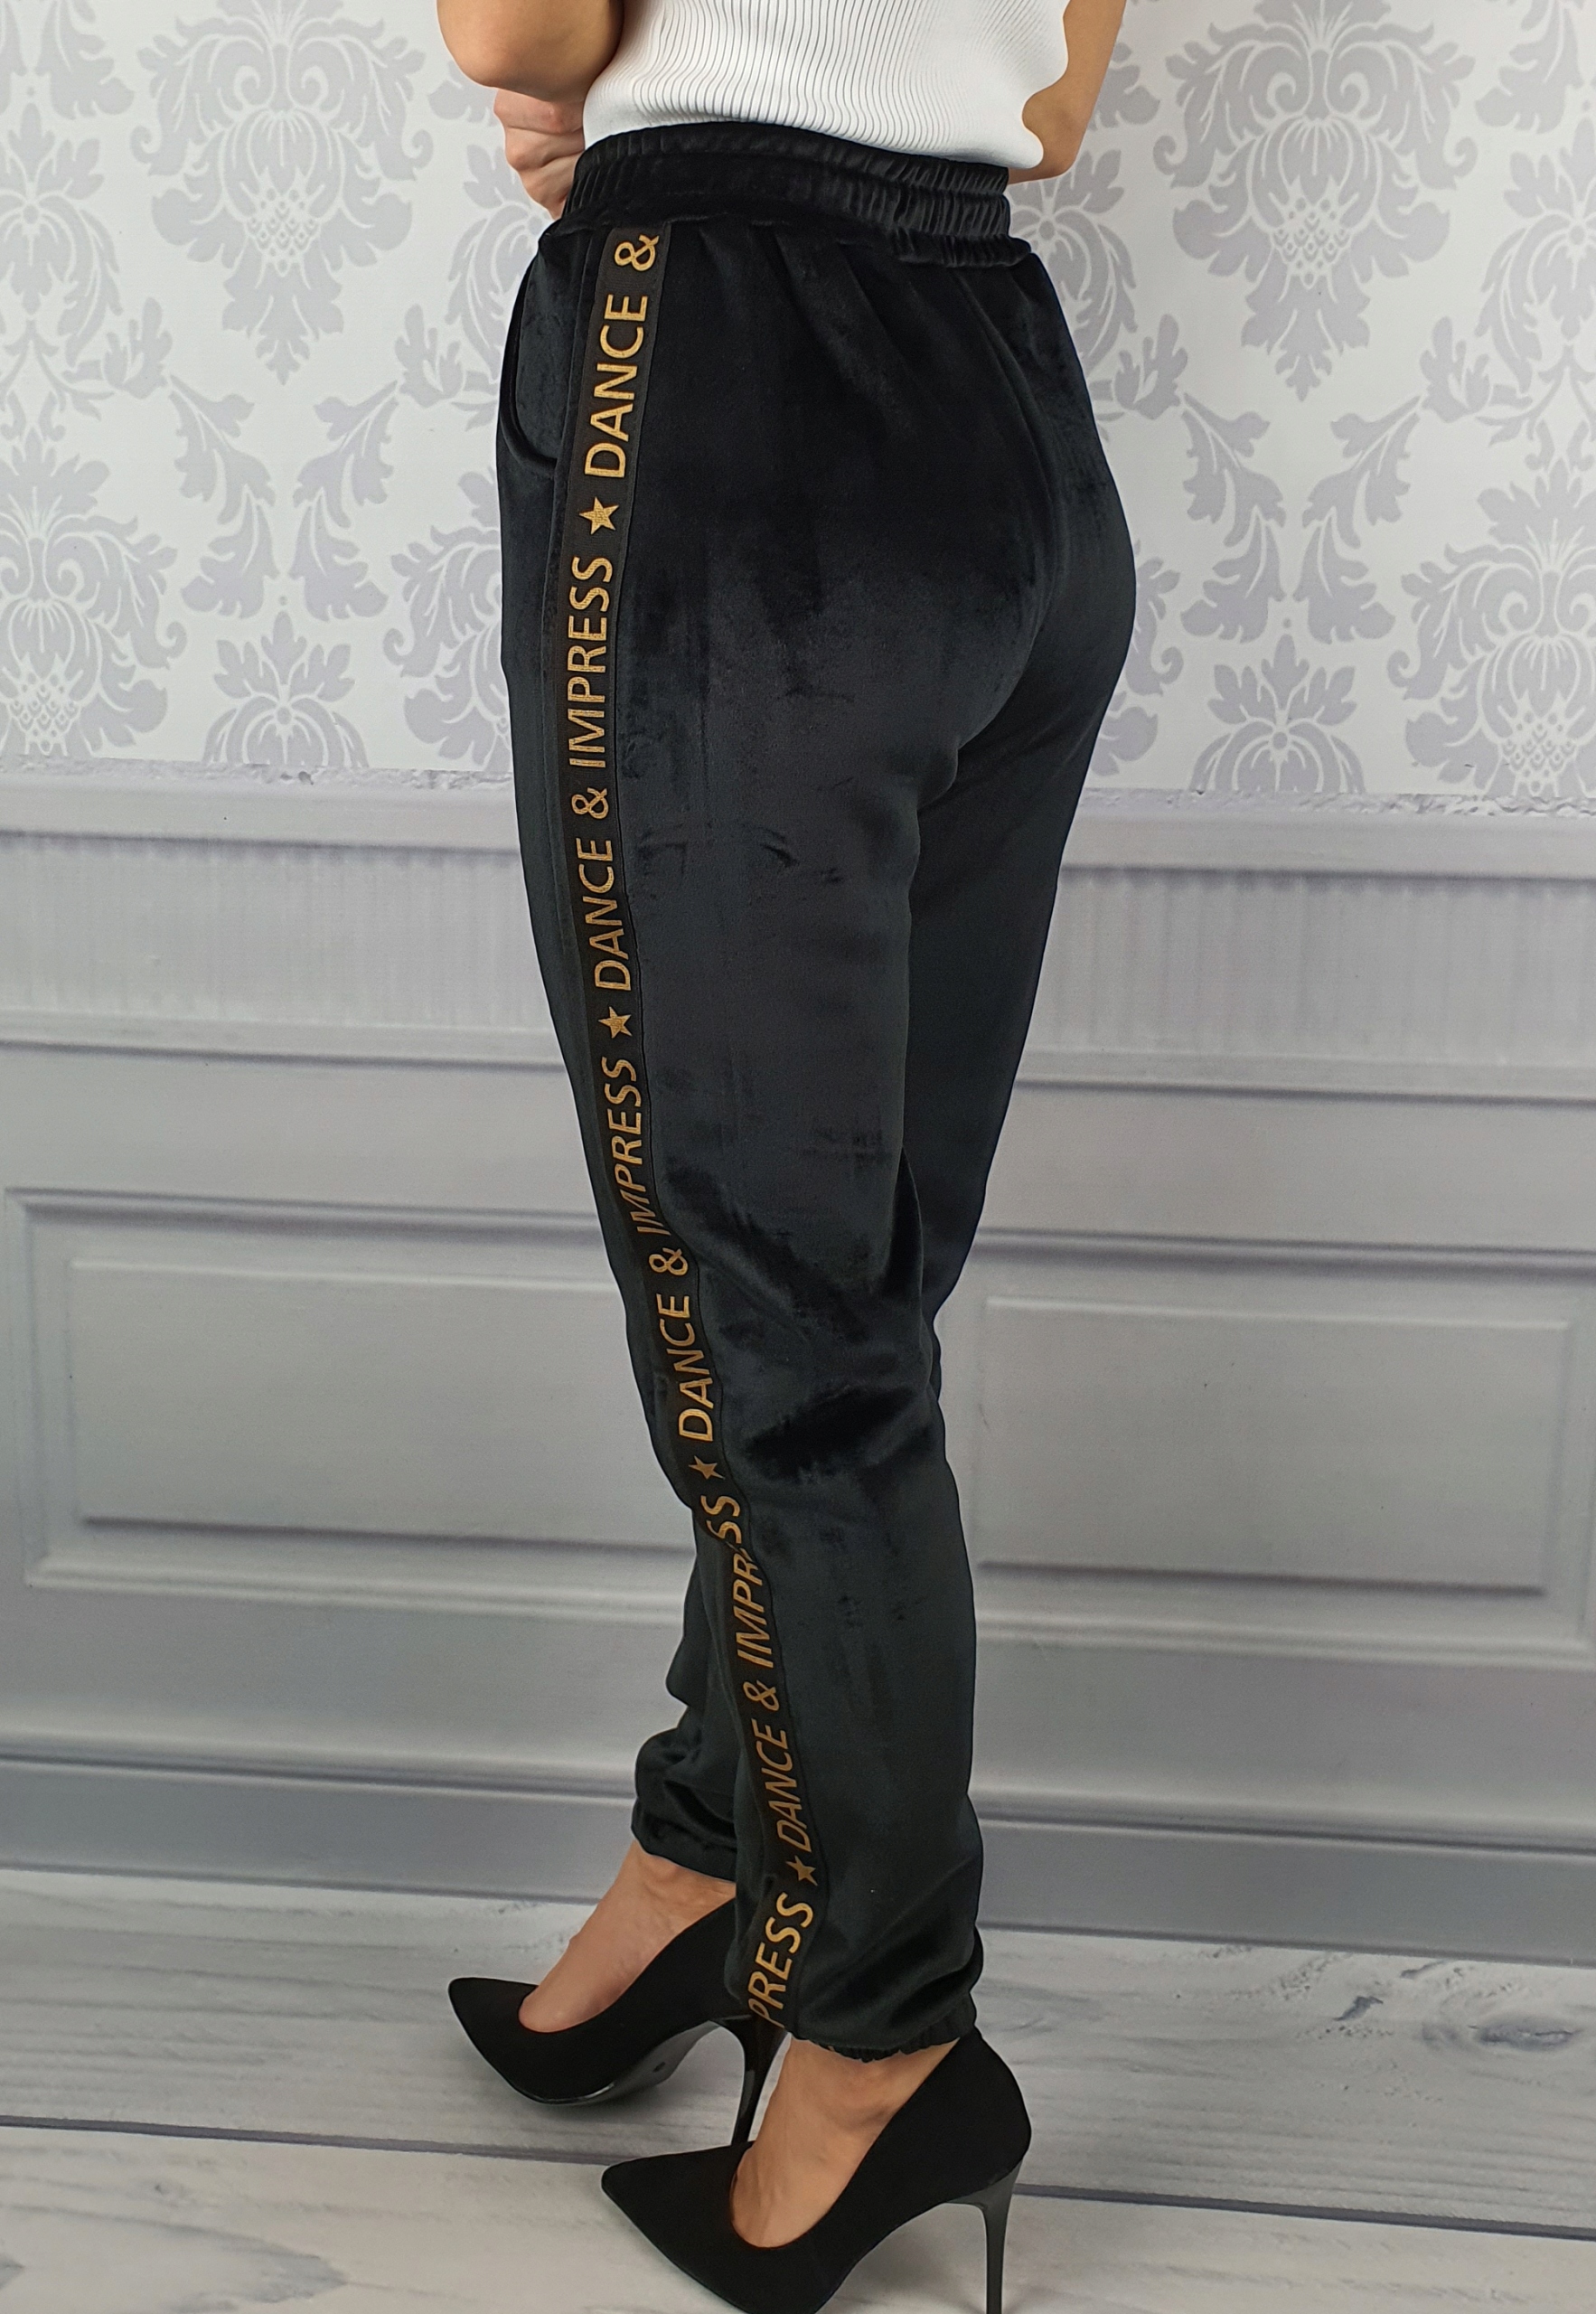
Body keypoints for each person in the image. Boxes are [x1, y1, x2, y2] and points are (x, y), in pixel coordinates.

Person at [435, 1, 1134, 2305]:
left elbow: (521, 26)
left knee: (778, 1329)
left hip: (728, 384)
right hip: (1003, 407)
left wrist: (565, 85)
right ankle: (710, 1852)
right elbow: (1048, 107)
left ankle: (881, 2026)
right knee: (843, 1286)